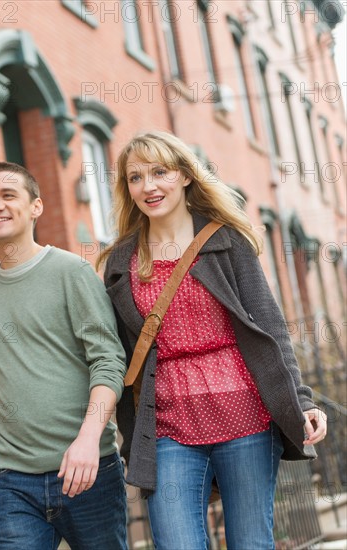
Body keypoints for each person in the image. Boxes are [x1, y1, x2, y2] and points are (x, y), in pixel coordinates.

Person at [98, 131, 327, 550]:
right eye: (135, 178)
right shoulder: (122, 260)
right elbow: (115, 349)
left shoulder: (227, 241)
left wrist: (303, 399)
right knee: (176, 542)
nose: (148, 186)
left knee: (250, 541)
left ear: (185, 176)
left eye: (159, 172)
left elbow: (270, 327)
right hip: (165, 425)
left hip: (245, 415)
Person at [0, 161, 128, 550]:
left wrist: (89, 440)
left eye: (8, 195)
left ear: (36, 206)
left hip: (88, 468)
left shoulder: (71, 272)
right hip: (13, 480)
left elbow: (108, 360)